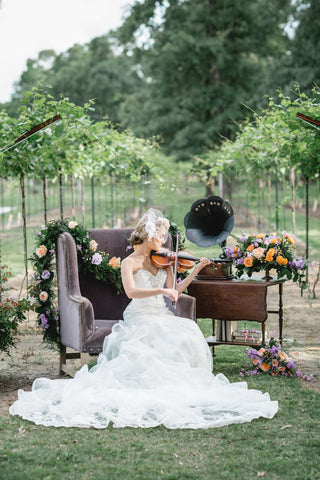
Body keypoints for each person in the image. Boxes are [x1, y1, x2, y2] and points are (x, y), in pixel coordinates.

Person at [9, 209, 278, 429]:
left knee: (186, 333)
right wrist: (161, 289)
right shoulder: (130, 263)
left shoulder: (164, 261)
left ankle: (176, 387)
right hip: (139, 315)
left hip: (161, 313)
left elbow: (176, 292)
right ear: (148, 236)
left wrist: (196, 269)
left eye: (163, 236)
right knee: (152, 339)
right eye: (160, 236)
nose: (163, 241)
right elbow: (131, 292)